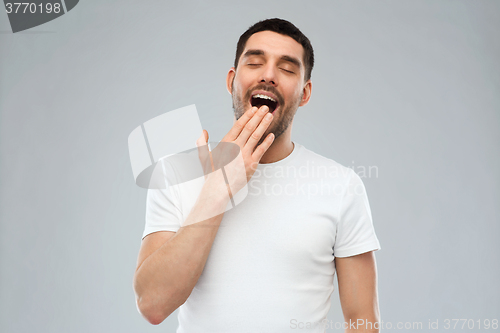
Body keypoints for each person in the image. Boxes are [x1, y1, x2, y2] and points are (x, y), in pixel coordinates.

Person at [133, 18, 381, 332]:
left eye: (288, 68)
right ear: (232, 80)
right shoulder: (175, 172)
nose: (268, 75)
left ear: (304, 94)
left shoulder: (342, 186)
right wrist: (217, 191)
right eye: (255, 62)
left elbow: (364, 322)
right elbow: (153, 305)